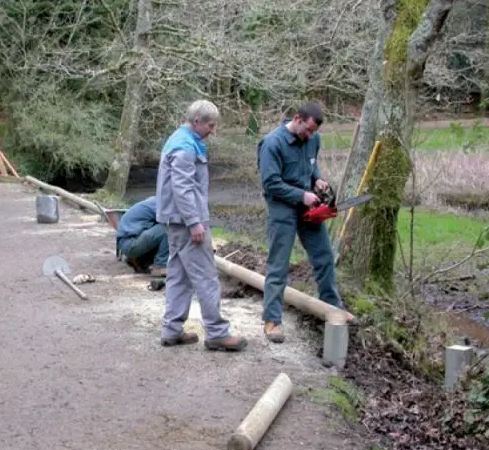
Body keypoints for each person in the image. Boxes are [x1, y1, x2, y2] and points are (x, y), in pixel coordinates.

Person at [154, 99, 248, 352]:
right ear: (197, 121)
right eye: (210, 125)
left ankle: (171, 330)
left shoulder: (179, 139)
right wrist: (194, 222)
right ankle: (217, 333)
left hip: (174, 221)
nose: (213, 131)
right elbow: (182, 188)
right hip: (186, 223)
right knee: (206, 276)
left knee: (178, 276)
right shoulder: (185, 146)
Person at [257, 102, 344, 343]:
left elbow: (312, 167)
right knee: (279, 264)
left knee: (325, 256)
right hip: (281, 207)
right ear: (297, 119)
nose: (310, 136)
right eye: (307, 130)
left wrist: (318, 181)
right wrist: (300, 195)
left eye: (314, 132)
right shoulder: (272, 144)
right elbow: (271, 183)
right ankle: (272, 320)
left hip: (308, 206)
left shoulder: (313, 141)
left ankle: (332, 308)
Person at [116, 196, 168, 277]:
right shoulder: (161, 205)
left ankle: (139, 261)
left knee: (160, 231)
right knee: (167, 230)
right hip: (130, 243)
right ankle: (160, 266)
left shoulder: (155, 200)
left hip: (126, 242)